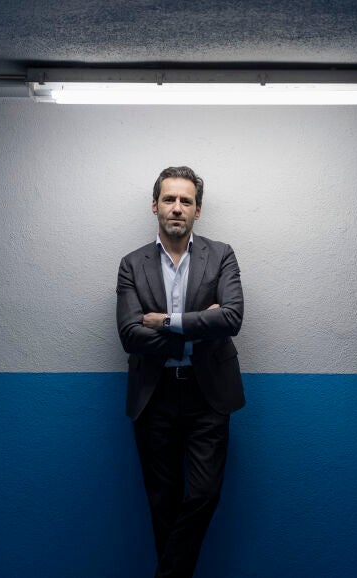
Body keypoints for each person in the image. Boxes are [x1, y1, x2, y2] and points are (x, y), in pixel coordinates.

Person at [116, 166, 245, 578]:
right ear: (155, 206)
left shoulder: (221, 255)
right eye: (169, 199)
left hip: (208, 396)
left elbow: (232, 318)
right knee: (163, 503)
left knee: (204, 494)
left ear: (197, 210)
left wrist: (167, 322)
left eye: (185, 201)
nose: (177, 207)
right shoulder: (131, 264)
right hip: (154, 396)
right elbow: (129, 334)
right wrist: (197, 328)